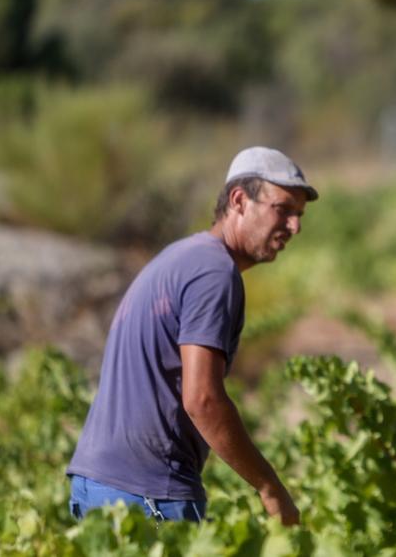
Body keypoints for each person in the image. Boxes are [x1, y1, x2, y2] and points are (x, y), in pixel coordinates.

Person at [66, 146, 317, 525]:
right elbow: (202, 399)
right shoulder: (215, 272)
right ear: (239, 201)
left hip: (97, 484)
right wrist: (270, 488)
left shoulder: (182, 256)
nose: (294, 227)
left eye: (298, 215)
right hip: (147, 494)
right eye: (282, 209)